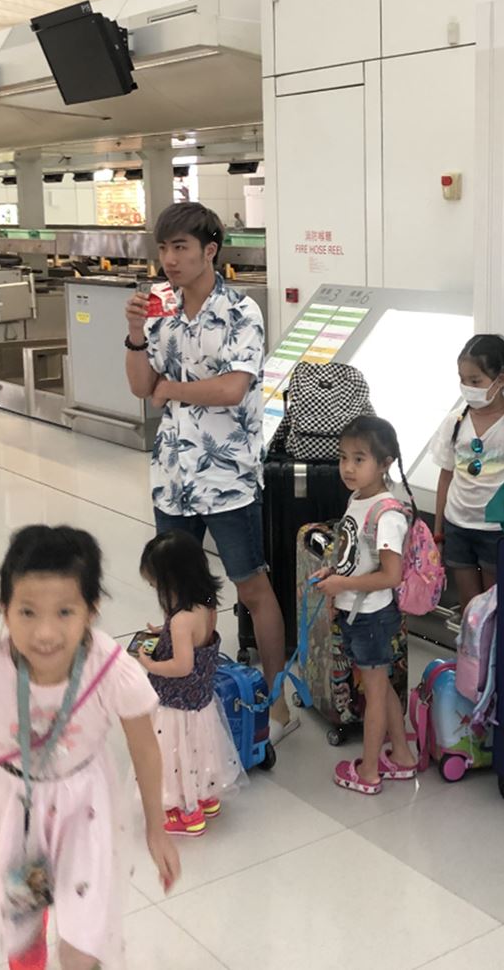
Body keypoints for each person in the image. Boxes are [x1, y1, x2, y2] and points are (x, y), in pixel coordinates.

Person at [0, 525, 180, 970]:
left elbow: (145, 748)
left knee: (84, 937)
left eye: (64, 612)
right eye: (28, 612)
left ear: (91, 611)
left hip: (85, 808)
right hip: (14, 806)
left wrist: (156, 827)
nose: (45, 633)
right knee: (21, 924)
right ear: (5, 609)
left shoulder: (111, 671)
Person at [124, 202, 295, 740]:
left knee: (251, 587)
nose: (169, 259)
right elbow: (138, 386)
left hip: (229, 477)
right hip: (173, 474)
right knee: (180, 594)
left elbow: (232, 388)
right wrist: (135, 334)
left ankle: (275, 697)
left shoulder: (242, 312)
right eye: (164, 248)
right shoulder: (161, 311)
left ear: (210, 251)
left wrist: (171, 389)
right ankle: (193, 692)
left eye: (180, 248)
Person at [315, 415, 420, 795]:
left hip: (373, 615)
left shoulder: (387, 513)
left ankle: (371, 771)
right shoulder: (357, 499)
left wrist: (343, 584)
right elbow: (353, 555)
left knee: (374, 691)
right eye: (343, 457)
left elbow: (391, 576)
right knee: (381, 685)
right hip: (356, 609)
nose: (347, 467)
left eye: (359, 459)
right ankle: (404, 756)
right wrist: (333, 575)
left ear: (385, 462)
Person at [135, 531, 246, 838]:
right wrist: (166, 631)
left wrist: (150, 664)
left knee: (174, 757)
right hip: (201, 700)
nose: (156, 589)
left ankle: (185, 813)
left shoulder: (182, 619)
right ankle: (207, 798)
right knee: (199, 751)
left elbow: (182, 665)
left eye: (156, 584)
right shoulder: (206, 605)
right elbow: (197, 642)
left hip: (176, 705)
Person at [429, 335, 504, 607]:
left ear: (502, 379)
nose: (467, 388)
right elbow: (446, 475)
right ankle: (471, 651)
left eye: (475, 381)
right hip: (457, 525)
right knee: (469, 607)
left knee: (494, 608)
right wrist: (438, 532)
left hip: (497, 530)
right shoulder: (455, 420)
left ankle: (493, 651)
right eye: (462, 379)